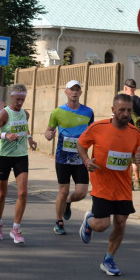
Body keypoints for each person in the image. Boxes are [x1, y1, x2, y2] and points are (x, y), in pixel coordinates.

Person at [77, 93, 140, 276]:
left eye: (129, 110)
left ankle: (108, 260)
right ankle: (89, 221)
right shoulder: (98, 127)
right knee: (101, 225)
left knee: (121, 222)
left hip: (123, 186)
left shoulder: (135, 132)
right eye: (122, 110)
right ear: (113, 110)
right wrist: (86, 161)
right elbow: (81, 144)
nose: (126, 114)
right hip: (102, 183)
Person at [0, 83, 37, 244]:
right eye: (17, 100)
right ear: (11, 98)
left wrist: (29, 138)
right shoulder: (4, 114)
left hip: (21, 155)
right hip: (4, 156)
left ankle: (16, 228)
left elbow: (24, 128)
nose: (20, 103)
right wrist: (5, 136)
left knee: (23, 192)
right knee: (2, 193)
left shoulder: (25, 114)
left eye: (23, 99)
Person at [44, 79, 95, 235]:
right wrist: (49, 135)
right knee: (63, 190)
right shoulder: (57, 112)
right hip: (63, 157)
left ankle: (68, 202)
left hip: (81, 157)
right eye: (71, 89)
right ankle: (59, 222)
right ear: (65, 92)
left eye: (77, 89)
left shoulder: (88, 112)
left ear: (81, 92)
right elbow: (48, 132)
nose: (74, 92)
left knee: (81, 193)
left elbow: (92, 133)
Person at [122, 78, 140, 189]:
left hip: (125, 131)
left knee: (126, 156)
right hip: (138, 132)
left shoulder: (122, 101)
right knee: (136, 155)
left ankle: (129, 182)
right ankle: (137, 181)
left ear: (125, 88)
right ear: (135, 89)